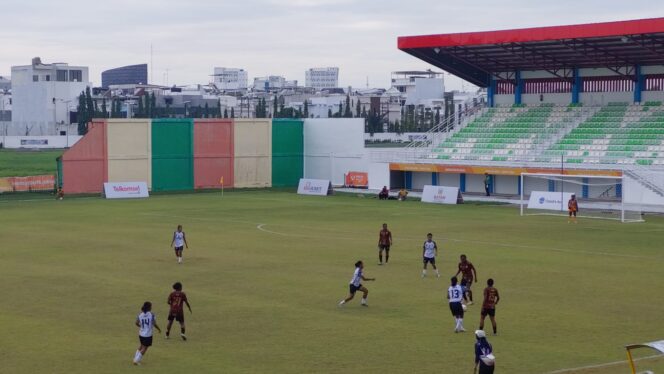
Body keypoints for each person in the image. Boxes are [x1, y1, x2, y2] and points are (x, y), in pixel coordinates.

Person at [133, 301, 161, 366]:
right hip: (148, 335)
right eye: (151, 306)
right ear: (149, 307)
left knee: (141, 345)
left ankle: (135, 357)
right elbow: (154, 323)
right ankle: (136, 360)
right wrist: (159, 329)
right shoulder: (151, 314)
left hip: (141, 334)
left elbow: (136, 323)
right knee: (145, 348)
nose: (151, 307)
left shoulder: (140, 315)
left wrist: (141, 326)